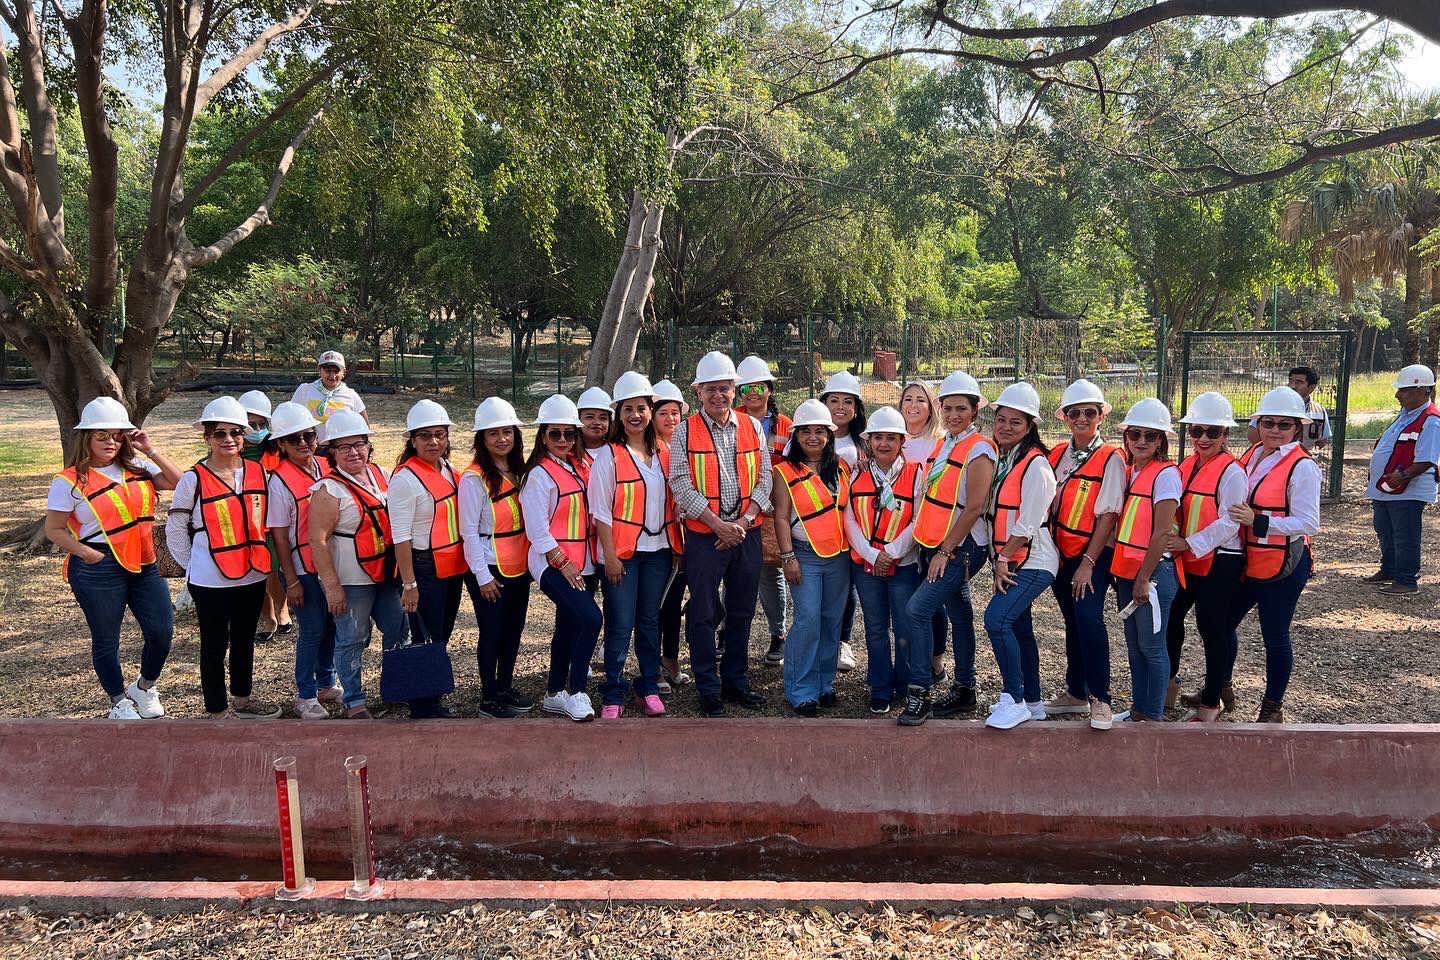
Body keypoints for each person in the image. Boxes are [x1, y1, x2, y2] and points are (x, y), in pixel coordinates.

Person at [45, 397, 182, 719]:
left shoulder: (138, 468)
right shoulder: (68, 481)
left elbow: (180, 483)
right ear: (86, 438)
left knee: (161, 631)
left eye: (117, 434)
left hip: (146, 562)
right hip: (98, 567)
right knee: (107, 638)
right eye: (101, 435)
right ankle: (118, 701)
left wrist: (150, 450)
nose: (110, 442)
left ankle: (144, 687)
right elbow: (54, 529)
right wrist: (86, 553)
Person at [667, 351, 773, 717]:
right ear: (698, 391)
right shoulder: (684, 430)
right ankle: (708, 688)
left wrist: (742, 524)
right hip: (704, 537)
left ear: (735, 390)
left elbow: (765, 478)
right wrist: (716, 524)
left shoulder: (752, 427)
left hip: (746, 534)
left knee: (742, 611)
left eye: (725, 389)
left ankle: (736, 682)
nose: (719, 396)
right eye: (711, 389)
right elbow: (679, 482)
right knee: (703, 612)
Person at [166, 396, 280, 719]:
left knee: (245, 639)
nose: (229, 439)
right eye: (220, 433)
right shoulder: (193, 479)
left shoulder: (258, 473)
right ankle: (217, 710)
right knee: (215, 646)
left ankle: (243, 700)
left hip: (253, 573)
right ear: (207, 437)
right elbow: (176, 528)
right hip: (209, 578)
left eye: (235, 432)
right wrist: (194, 566)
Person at [902, 370, 995, 723]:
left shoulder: (980, 449)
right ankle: (965, 688)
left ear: (974, 410)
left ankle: (919, 692)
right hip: (938, 541)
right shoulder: (946, 444)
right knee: (959, 613)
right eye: (949, 408)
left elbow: (974, 507)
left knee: (917, 610)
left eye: (962, 408)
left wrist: (945, 552)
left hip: (962, 546)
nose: (954, 415)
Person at [588, 372, 678, 718]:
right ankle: (613, 690)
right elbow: (601, 512)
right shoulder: (608, 457)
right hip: (623, 556)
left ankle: (649, 685)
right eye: (628, 410)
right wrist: (609, 557)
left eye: (641, 408)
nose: (636, 415)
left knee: (649, 621)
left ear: (650, 411)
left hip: (659, 553)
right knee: (621, 623)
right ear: (619, 415)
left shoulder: (665, 453)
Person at [307, 409, 406, 719]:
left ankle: (397, 688)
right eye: (343, 447)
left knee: (398, 630)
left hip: (387, 575)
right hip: (352, 579)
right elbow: (318, 540)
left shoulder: (382, 475)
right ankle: (354, 700)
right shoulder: (328, 489)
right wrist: (332, 587)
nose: (353, 452)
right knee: (352, 638)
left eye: (359, 444)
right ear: (331, 452)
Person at [1231, 386, 1322, 723]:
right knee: (1222, 624)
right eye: (1268, 422)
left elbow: (1309, 523)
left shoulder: (1303, 467)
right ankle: (1221, 687)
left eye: (1284, 425)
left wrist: (1259, 521)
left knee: (1275, 634)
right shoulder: (1253, 453)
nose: (1275, 430)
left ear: (1297, 428)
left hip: (1284, 563)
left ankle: (1272, 707)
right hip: (1248, 558)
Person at [1043, 378, 1125, 728]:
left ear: (1100, 416)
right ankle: (1076, 691)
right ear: (1064, 417)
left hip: (1092, 554)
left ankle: (1100, 698)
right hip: (1061, 551)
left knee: (1089, 618)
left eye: (1089, 412)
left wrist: (1088, 564)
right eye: (1074, 412)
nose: (1081, 418)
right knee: (1073, 620)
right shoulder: (1058, 453)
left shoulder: (1111, 457)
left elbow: (1109, 514)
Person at [1166, 392, 1247, 722]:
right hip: (1189, 558)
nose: (1202, 438)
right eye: (1197, 431)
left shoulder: (1233, 472)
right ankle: (1168, 685)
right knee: (1171, 619)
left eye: (1212, 432)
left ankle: (1211, 702)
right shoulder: (1186, 464)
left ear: (1225, 435)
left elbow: (1231, 521)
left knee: (1212, 629)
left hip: (1219, 560)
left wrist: (1189, 542)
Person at [521, 394, 602, 722]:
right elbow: (537, 530)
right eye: (556, 434)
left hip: (583, 562)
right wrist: (563, 563)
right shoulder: (538, 476)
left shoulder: (577, 466)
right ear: (543, 436)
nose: (564, 440)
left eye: (570, 434)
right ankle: (577, 691)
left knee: (568, 625)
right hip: (553, 564)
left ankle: (554, 693)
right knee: (591, 619)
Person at [982, 383, 1057, 730]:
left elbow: (1029, 521)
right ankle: (1034, 701)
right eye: (1001, 420)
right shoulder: (1005, 458)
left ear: (1030, 427)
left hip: (1034, 560)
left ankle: (1013, 698)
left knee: (996, 620)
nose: (1006, 427)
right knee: (1019, 626)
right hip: (1014, 557)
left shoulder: (1037, 466)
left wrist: (1003, 557)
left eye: (1016, 422)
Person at [773, 400, 851, 716]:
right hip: (804, 555)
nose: (813, 438)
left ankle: (823, 684)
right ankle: (800, 690)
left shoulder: (842, 468)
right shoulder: (784, 470)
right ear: (797, 435)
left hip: (839, 556)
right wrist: (787, 556)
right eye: (806, 432)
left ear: (830, 436)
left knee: (831, 620)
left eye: (820, 432)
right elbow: (780, 517)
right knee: (807, 619)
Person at [264, 401, 342, 720]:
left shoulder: (326, 467)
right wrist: (291, 579)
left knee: (332, 626)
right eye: (293, 439)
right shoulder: (279, 481)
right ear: (281, 444)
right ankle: (305, 694)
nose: (303, 444)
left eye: (308, 436)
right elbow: (280, 537)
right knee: (312, 629)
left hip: (332, 565)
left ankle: (326, 682)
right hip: (303, 569)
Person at [846, 406, 924, 717]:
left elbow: (919, 519)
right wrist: (872, 554)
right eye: (878, 437)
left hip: (903, 565)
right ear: (868, 441)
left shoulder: (917, 473)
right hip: (867, 565)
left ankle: (904, 683)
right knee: (875, 628)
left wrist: (891, 552)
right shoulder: (857, 472)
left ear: (902, 441)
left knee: (904, 626)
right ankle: (880, 687)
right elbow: (848, 518)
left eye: (891, 438)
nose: (884, 444)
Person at [390, 399, 466, 719]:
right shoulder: (405, 480)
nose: (433, 442)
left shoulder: (447, 469)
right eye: (425, 436)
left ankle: (429, 694)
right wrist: (409, 583)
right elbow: (401, 537)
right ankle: (423, 705)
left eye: (439, 434)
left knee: (441, 634)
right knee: (426, 636)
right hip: (423, 566)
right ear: (412, 440)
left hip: (451, 565)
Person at [459, 397, 534, 719]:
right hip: (490, 565)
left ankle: (505, 685)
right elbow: (469, 531)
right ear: (482, 439)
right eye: (493, 434)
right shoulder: (474, 478)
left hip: (519, 564)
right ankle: (489, 695)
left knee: (514, 629)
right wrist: (482, 576)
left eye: (507, 432)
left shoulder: (521, 470)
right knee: (492, 631)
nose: (502, 439)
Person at [1109, 398, 1182, 723]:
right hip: (1126, 569)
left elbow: (1161, 533)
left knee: (1152, 647)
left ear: (1161, 440)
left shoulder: (1166, 475)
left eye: (1149, 436)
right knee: (1136, 647)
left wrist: (1143, 577)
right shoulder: (1131, 471)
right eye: (1134, 434)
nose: (1140, 441)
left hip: (1151, 574)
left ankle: (1152, 716)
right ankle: (1140, 709)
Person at [1365, 363, 1439, 597]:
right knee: (1384, 529)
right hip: (1388, 488)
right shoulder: (1405, 416)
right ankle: (1389, 569)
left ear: (1422, 391)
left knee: (1405, 535)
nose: (1398, 394)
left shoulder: (1431, 420)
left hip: (1408, 489)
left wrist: (1403, 475)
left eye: (1403, 390)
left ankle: (1406, 580)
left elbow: (1427, 458)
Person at [736, 355, 791, 665]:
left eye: (759, 387)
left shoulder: (785, 426)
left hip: (772, 514)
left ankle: (777, 635)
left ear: (769, 389)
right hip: (737, 511)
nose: (753, 393)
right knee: (733, 575)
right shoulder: (733, 418)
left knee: (770, 576)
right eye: (746, 388)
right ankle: (727, 632)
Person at [898, 379, 946, 685]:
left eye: (921, 400)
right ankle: (909, 663)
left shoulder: (941, 443)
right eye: (908, 399)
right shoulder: (890, 437)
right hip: (896, 533)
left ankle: (936, 660)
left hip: (932, 532)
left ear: (931, 408)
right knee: (906, 601)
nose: (913, 406)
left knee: (933, 601)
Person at [819, 370, 867, 674]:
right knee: (814, 588)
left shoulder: (864, 442)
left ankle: (841, 642)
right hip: (813, 527)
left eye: (847, 401)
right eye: (834, 400)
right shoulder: (809, 433)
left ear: (856, 407)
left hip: (849, 525)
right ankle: (813, 643)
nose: (840, 407)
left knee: (845, 586)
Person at [238, 389, 291, 642]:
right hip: (243, 523)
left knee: (272, 570)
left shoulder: (277, 450)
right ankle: (268, 617)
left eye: (261, 424)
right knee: (256, 572)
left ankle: (282, 610)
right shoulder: (228, 451)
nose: (256, 429)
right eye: (251, 424)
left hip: (274, 521)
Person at [652, 378, 692, 693]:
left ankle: (671, 659)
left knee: (679, 602)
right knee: (660, 604)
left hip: (686, 538)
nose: (670, 419)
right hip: (658, 539)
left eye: (675, 413)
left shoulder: (686, 445)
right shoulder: (649, 450)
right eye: (663, 412)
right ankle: (656, 664)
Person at [1247, 367, 1331, 452]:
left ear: (1312, 387)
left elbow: (1322, 441)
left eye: (1299, 382)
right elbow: (1253, 436)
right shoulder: (1274, 406)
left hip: (1305, 460)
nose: (1292, 386)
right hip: (1277, 460)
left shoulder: (1319, 411)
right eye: (1291, 381)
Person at [292, 350, 368, 435]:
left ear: (343, 372)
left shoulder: (351, 395)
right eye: (328, 371)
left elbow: (364, 426)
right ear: (319, 370)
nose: (332, 376)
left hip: (339, 446)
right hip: (312, 446)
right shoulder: (304, 390)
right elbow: (292, 419)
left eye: (336, 371)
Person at [575, 386, 613, 482]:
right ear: (578, 419)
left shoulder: (619, 452)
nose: (597, 422)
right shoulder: (568, 455)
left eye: (603, 418)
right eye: (590, 417)